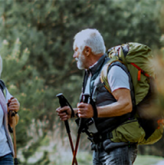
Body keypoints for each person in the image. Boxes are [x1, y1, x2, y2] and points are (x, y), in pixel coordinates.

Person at [56, 29, 137, 165]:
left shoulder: (113, 69)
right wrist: (74, 113)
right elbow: (97, 106)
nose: (74, 55)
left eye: (76, 50)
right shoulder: (91, 74)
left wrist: (94, 112)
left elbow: (126, 105)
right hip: (99, 146)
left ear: (87, 51)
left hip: (117, 146)